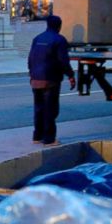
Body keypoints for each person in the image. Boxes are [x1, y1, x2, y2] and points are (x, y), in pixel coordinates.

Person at [28, 15, 76, 146]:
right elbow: (63, 61)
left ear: (47, 25)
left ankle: (37, 136)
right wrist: (71, 76)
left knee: (39, 108)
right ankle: (49, 139)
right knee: (50, 109)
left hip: (36, 79)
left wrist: (32, 74)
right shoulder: (59, 40)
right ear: (59, 26)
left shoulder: (37, 38)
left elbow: (30, 58)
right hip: (51, 80)